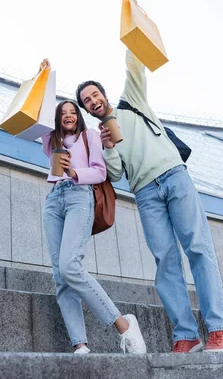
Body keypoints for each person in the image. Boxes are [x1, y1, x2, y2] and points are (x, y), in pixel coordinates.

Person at [74, 0, 223, 353]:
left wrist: (131, 17)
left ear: (103, 95)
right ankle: (186, 335)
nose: (92, 100)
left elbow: (134, 63)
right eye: (86, 101)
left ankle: (219, 328)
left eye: (94, 94)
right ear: (87, 110)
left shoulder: (132, 100)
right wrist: (109, 145)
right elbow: (114, 174)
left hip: (173, 177)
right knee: (165, 262)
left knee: (199, 249)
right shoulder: (101, 138)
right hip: (146, 194)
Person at [39, 59, 146, 355]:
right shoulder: (51, 141)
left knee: (69, 265)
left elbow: (101, 172)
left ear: (80, 116)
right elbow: (38, 116)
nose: (69, 115)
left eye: (74, 111)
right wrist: (43, 79)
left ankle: (123, 325)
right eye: (64, 113)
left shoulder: (90, 137)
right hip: (53, 201)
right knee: (60, 277)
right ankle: (81, 345)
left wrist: (75, 173)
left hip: (79, 196)